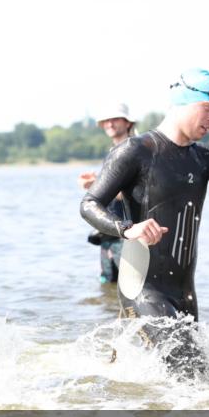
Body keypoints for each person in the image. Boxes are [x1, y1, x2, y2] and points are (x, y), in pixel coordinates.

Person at [81, 68, 209, 375]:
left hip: (185, 293)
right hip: (143, 288)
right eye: (207, 108)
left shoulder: (203, 157)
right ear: (182, 103)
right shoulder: (136, 151)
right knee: (192, 376)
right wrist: (128, 228)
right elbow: (89, 204)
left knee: (195, 378)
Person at [79, 103, 135, 284]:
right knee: (107, 284)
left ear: (128, 123)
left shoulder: (135, 151)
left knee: (131, 285)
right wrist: (96, 183)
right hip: (108, 229)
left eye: (115, 119)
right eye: (106, 120)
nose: (110, 124)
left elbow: (137, 194)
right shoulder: (113, 152)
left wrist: (96, 186)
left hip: (129, 231)